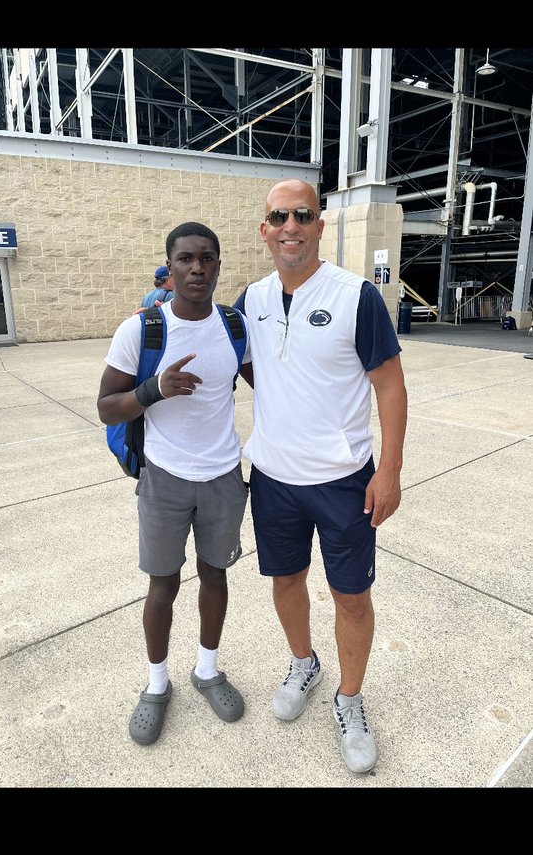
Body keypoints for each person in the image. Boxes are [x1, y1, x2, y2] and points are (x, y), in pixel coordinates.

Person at [235, 179, 407, 775]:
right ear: (264, 229)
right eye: (278, 216)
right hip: (274, 478)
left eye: (302, 215)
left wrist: (390, 469)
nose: (290, 227)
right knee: (286, 582)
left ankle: (350, 700)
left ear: (319, 225)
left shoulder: (356, 295)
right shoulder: (251, 299)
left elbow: (390, 384)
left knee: (351, 596)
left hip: (343, 481)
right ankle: (304, 662)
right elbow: (226, 353)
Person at [97, 222, 249, 747]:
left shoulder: (235, 326)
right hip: (164, 478)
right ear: (169, 266)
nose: (197, 268)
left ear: (218, 266)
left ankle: (206, 671)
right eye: (186, 258)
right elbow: (105, 407)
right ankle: (156, 685)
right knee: (162, 587)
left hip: (225, 478)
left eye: (207, 258)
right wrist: (153, 389)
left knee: (216, 579)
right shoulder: (141, 330)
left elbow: (273, 387)